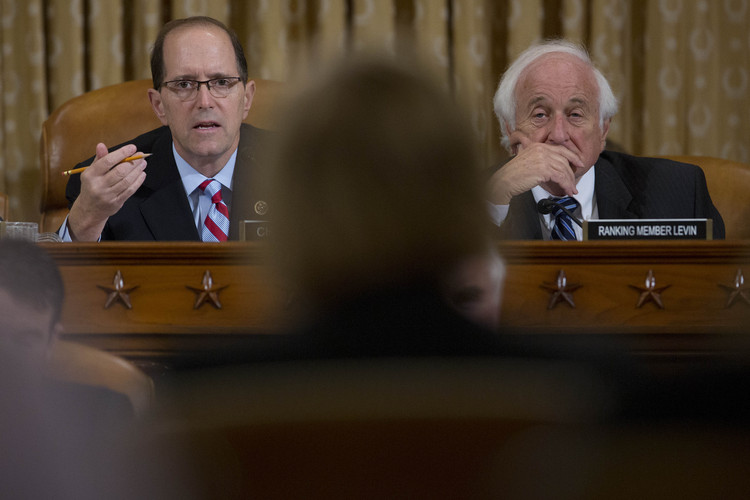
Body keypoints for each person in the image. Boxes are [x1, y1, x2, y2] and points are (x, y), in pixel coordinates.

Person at [487, 39, 725, 240]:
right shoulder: (468, 198)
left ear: (603, 130)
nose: (558, 135)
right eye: (540, 115)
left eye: (575, 115)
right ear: (510, 128)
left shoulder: (679, 193)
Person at [61, 16, 267, 241]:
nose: (205, 102)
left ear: (246, 99)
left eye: (221, 82)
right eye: (184, 85)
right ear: (159, 105)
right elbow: (60, 274)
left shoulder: (301, 170)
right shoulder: (107, 186)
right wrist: (86, 218)